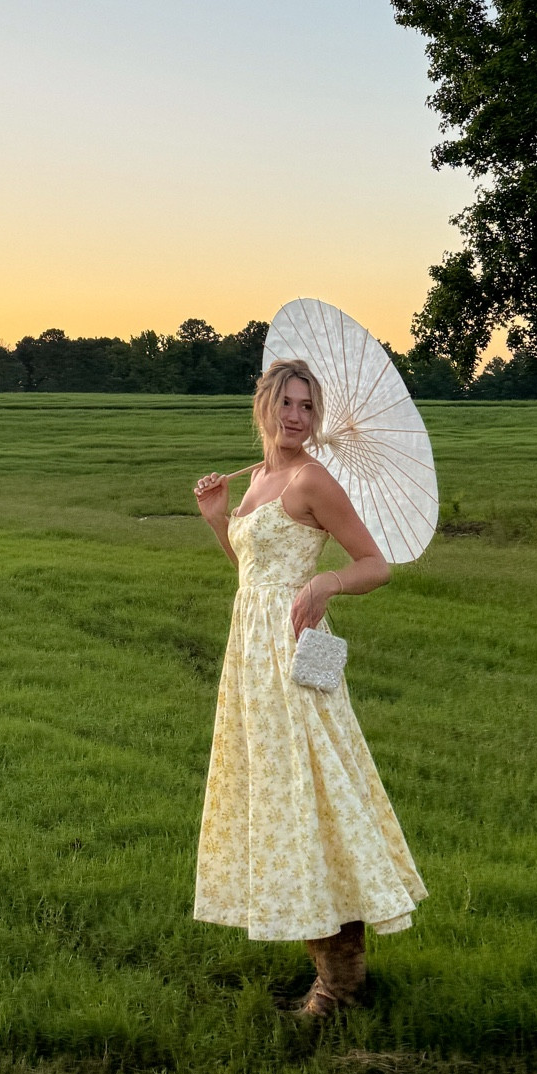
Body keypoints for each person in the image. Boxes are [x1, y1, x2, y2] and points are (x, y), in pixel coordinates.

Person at [191, 356, 426, 1017]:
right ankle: (330, 973)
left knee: (313, 793)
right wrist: (217, 518)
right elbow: (254, 571)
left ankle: (340, 985)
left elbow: (374, 564)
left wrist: (326, 581)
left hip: (297, 655)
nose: (296, 416)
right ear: (263, 405)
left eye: (307, 407)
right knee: (278, 795)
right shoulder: (259, 479)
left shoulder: (311, 479)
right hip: (252, 657)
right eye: (286, 403)